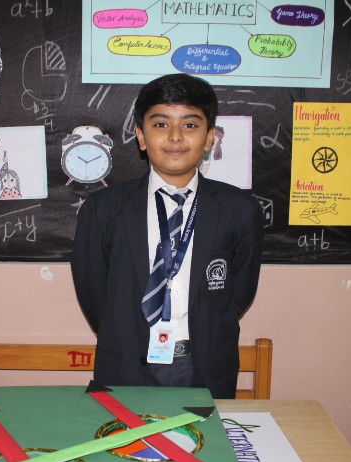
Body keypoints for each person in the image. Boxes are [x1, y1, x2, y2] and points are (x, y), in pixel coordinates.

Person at [71, 73, 263, 399]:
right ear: (141, 136)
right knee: (125, 434)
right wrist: (124, 335)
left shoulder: (239, 210)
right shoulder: (103, 208)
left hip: (204, 364)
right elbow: (93, 293)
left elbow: (238, 294)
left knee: (202, 434)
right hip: (125, 364)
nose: (175, 136)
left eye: (190, 125)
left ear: (209, 138)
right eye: (161, 124)